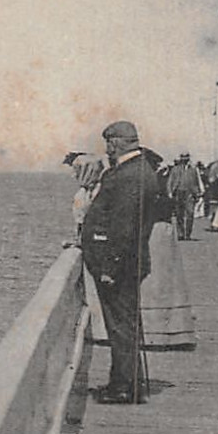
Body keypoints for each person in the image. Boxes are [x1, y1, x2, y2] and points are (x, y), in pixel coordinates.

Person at [79, 120, 171, 405]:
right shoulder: (139, 171)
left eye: (108, 143)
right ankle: (123, 381)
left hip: (121, 266)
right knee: (124, 325)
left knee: (121, 327)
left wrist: (109, 266)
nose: (106, 149)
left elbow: (124, 227)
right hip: (127, 262)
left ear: (115, 143)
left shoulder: (130, 175)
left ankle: (125, 387)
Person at [165, 153, 203, 240]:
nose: (184, 159)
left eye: (186, 158)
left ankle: (188, 234)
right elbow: (170, 181)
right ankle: (180, 234)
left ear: (188, 158)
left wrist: (198, 193)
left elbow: (196, 182)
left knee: (190, 213)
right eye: (183, 157)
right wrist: (170, 192)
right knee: (179, 214)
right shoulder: (175, 169)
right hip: (179, 192)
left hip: (190, 193)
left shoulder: (193, 170)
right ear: (180, 158)